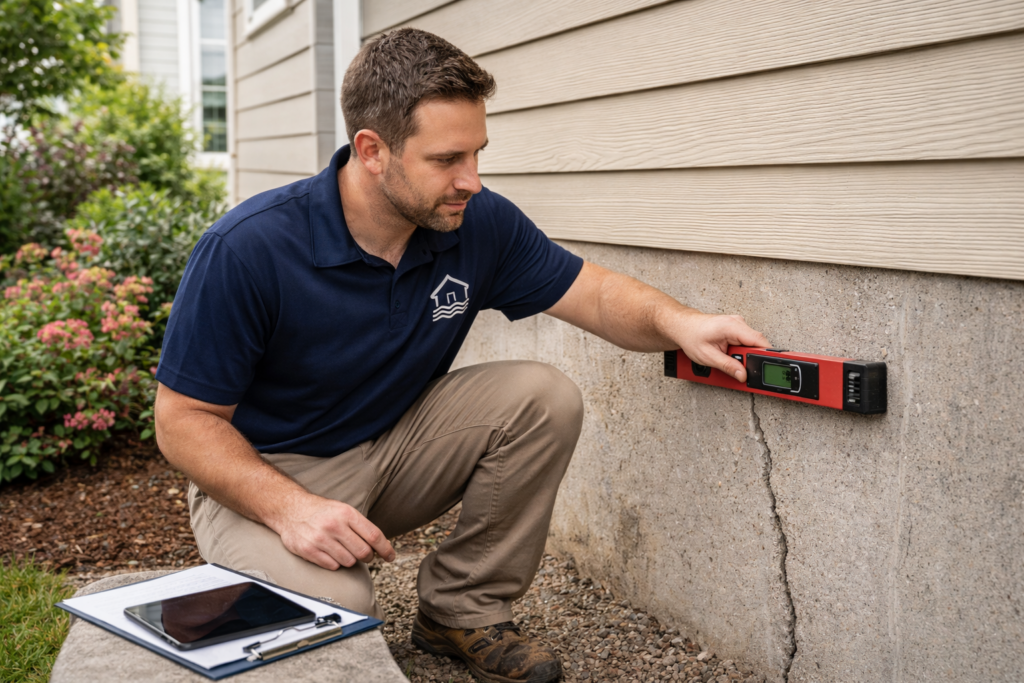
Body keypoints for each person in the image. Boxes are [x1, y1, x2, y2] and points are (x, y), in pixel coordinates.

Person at [153, 28, 768, 683]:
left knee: (541, 397)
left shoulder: (476, 223)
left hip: (391, 446)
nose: (471, 180)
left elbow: (594, 293)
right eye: (448, 158)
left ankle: (461, 608)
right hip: (267, 475)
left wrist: (681, 321)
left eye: (477, 153)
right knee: (340, 608)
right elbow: (182, 421)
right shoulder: (248, 248)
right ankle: (259, 576)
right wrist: (293, 511)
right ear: (371, 150)